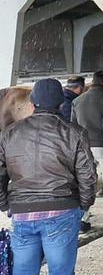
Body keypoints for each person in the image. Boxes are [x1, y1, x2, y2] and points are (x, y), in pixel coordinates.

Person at [0, 79, 96, 275]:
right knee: (61, 271)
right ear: (61, 103)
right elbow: (87, 175)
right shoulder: (74, 132)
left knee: (24, 271)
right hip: (62, 210)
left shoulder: (9, 133)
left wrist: (5, 204)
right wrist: (84, 205)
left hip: (22, 212)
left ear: (32, 103)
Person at [72, 70, 103, 233]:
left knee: (85, 183)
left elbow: (73, 127)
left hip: (85, 147)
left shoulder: (77, 101)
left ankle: (83, 221)